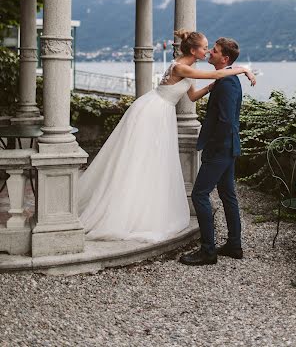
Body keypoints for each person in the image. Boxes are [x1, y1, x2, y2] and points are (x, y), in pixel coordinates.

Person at [78, 30, 256, 243]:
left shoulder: (189, 69)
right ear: (193, 50)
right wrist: (243, 69)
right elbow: (218, 74)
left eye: (212, 49)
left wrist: (211, 87)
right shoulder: (180, 67)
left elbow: (192, 96)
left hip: (162, 112)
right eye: (205, 47)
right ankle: (122, 210)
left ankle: (143, 207)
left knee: (150, 162)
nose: (208, 51)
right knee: (137, 160)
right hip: (152, 111)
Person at [180, 37, 246, 266]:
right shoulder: (228, 78)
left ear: (225, 59)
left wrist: (213, 147)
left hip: (220, 149)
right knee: (228, 195)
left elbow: (226, 121)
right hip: (229, 147)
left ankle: (208, 251)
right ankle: (234, 245)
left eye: (215, 51)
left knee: (199, 194)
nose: (210, 53)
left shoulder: (227, 83)